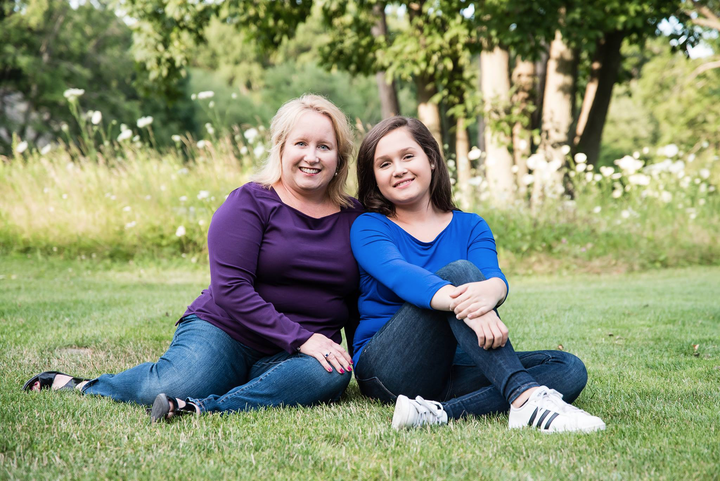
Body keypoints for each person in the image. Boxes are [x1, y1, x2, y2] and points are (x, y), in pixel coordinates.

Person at [24, 94, 363, 422]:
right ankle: (83, 385)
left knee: (331, 373)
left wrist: (358, 362)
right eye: (301, 144)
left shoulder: (356, 218)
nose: (312, 156)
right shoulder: (250, 202)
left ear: (339, 159)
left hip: (299, 352)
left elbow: (358, 298)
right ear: (281, 148)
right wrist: (301, 337)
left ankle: (202, 408)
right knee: (170, 384)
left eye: (324, 146)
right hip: (228, 332)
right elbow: (231, 289)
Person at [350, 116, 605, 433]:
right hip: (388, 367)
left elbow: (493, 278)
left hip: (455, 365)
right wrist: (467, 299)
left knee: (567, 368)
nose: (398, 169)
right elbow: (401, 276)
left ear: (430, 159)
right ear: (375, 177)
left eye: (407, 156)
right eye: (384, 164)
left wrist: (491, 293)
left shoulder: (471, 225)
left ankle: (439, 414)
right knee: (460, 271)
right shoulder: (369, 226)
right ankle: (525, 398)